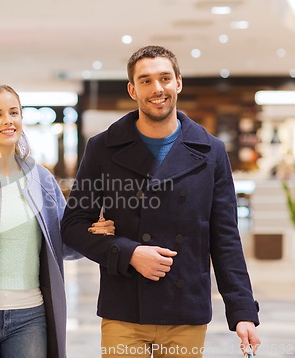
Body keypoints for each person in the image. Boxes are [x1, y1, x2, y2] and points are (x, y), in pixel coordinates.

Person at [61, 46, 260, 358]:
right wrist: (130, 253)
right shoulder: (102, 148)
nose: (157, 89)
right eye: (146, 80)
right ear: (132, 89)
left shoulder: (211, 151)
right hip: (124, 307)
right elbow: (73, 226)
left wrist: (242, 309)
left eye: (165, 78)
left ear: (178, 82)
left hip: (185, 309)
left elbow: (225, 237)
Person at [0, 83, 115, 358]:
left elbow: (63, 244)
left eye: (14, 112)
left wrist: (91, 232)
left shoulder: (40, 179)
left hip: (31, 316)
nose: (8, 120)